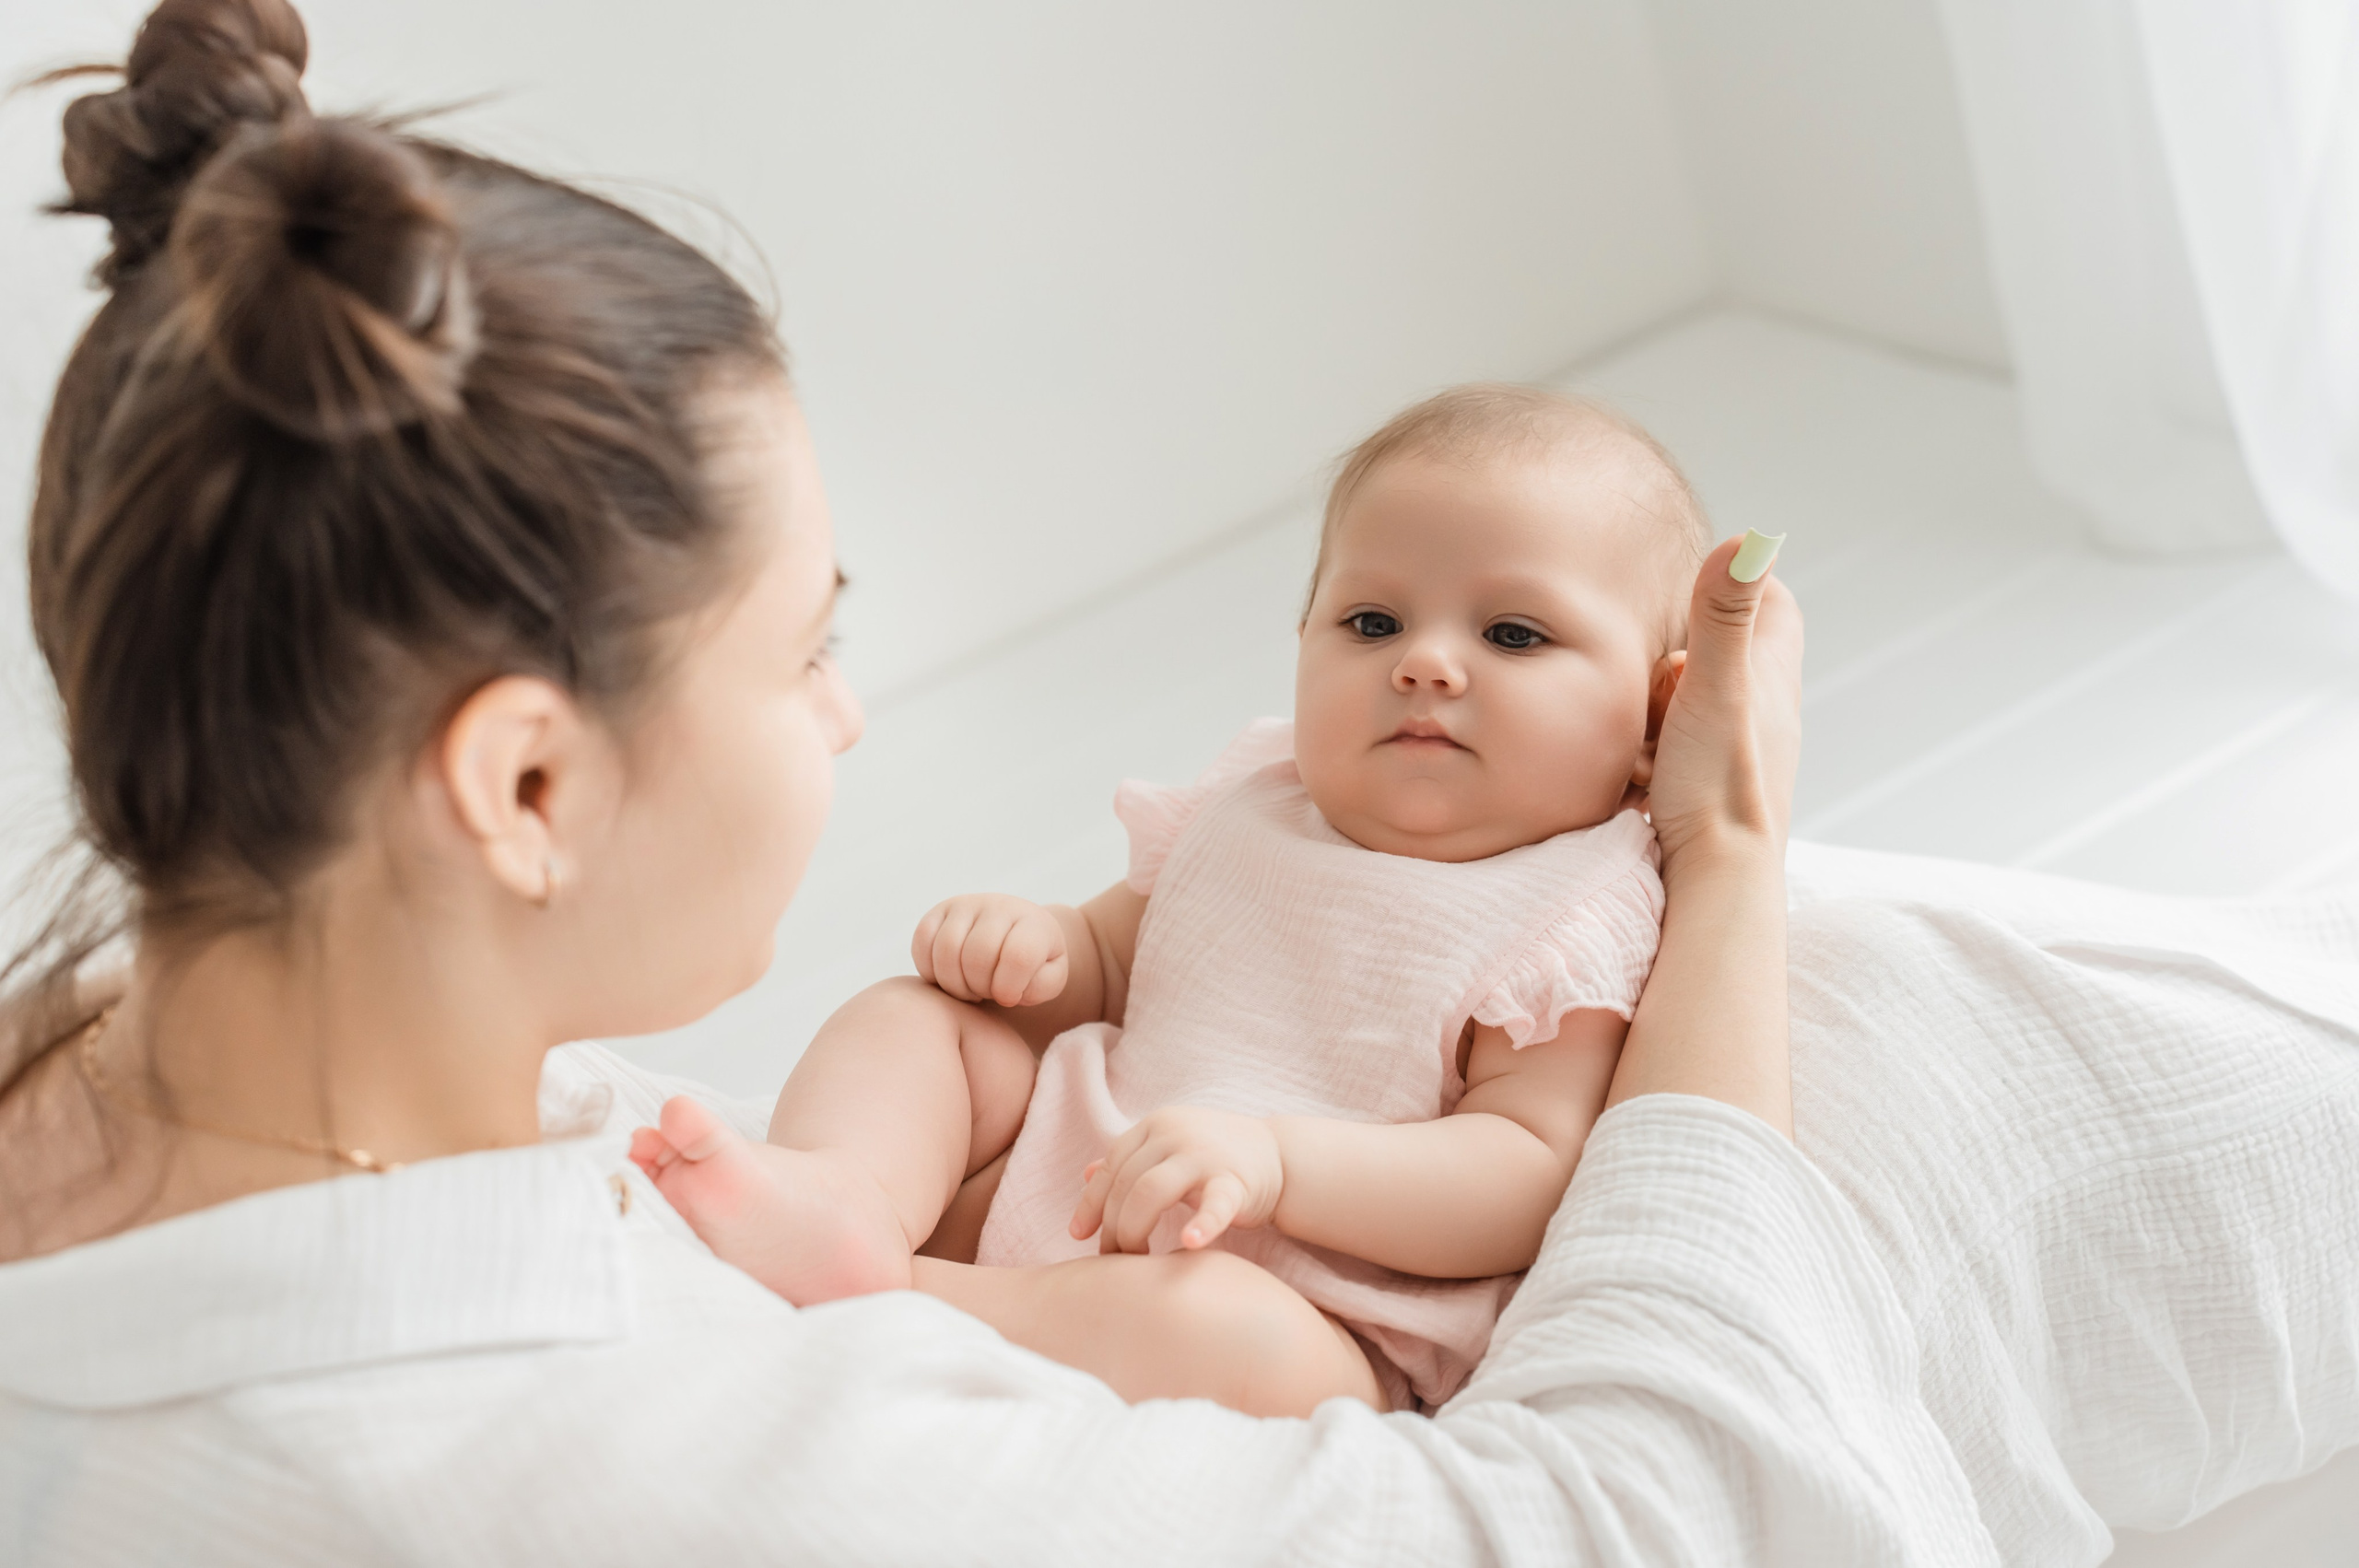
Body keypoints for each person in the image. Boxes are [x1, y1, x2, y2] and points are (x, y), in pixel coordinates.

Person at [13, 3, 2353, 1564]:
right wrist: (1726, 865)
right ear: (522, 788)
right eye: (806, 644)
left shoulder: (200, 1148)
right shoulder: (647, 1463)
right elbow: (1692, 1518)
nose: (840, 711)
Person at [632, 386, 1748, 1418]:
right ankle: (850, 1194)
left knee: (1226, 1334)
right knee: (917, 1019)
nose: (1425, 665)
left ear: (1655, 718)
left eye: (1512, 634)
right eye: (1371, 622)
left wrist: (1278, 1164)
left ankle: (895, 1292)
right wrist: (1035, 947)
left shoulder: (1573, 910)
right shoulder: (1254, 799)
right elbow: (1113, 962)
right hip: (1073, 1175)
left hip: (1304, 1300)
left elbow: (1521, 1169)